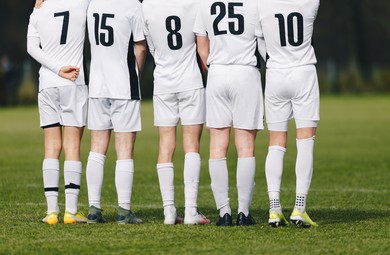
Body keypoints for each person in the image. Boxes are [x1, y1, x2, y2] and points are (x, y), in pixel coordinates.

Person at [194, 0, 264, 226]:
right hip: (245, 73)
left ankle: (224, 212)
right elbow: (263, 41)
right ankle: (243, 212)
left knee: (217, 145)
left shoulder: (204, 3)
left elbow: (201, 47)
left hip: (218, 74)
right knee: (245, 147)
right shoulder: (256, 3)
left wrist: (215, 67)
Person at [142, 0, 210, 225]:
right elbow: (202, 45)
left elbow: (150, 46)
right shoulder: (195, 4)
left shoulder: (148, 6)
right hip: (190, 81)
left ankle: (169, 211)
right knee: (192, 145)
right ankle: (191, 211)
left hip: (163, 82)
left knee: (165, 145)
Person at [257, 0, 320, 227]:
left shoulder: (261, 5)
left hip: (275, 75)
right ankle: (299, 208)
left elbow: (259, 41)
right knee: (305, 141)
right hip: (303, 73)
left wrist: (274, 60)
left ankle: (274, 209)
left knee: (275, 144)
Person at [27, 0, 90, 224]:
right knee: (72, 146)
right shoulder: (82, 3)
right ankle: (71, 212)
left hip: (48, 83)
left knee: (51, 147)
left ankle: (52, 212)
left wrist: (55, 69)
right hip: (74, 80)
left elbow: (31, 48)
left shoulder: (39, 8)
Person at [85, 0, 147, 224]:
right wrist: (135, 76)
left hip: (97, 86)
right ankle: (124, 210)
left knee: (96, 149)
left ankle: (93, 208)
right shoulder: (132, 5)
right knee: (125, 149)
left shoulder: (92, 4)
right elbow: (140, 47)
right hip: (124, 86)